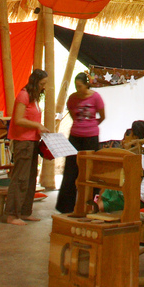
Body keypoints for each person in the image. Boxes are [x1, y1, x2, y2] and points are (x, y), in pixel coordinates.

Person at [55, 72, 105, 214]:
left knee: (91, 170)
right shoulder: (72, 98)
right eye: (76, 86)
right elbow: (71, 113)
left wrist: (91, 126)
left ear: (86, 84)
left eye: (80, 86)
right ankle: (65, 207)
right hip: (75, 137)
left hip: (91, 138)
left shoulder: (95, 97)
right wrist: (80, 125)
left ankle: (92, 205)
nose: (78, 89)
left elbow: (102, 116)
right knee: (71, 170)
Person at [4, 69, 47, 226]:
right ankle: (12, 214)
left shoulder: (34, 98)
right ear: (35, 82)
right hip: (23, 142)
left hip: (33, 141)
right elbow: (17, 120)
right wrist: (37, 125)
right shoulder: (24, 95)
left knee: (30, 179)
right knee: (20, 178)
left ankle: (24, 212)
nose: (44, 87)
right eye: (42, 84)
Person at [98, 121, 144, 215]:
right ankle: (100, 205)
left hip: (139, 199)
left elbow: (133, 176)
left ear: (136, 137)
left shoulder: (143, 150)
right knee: (112, 184)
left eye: (130, 134)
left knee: (112, 181)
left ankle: (99, 206)